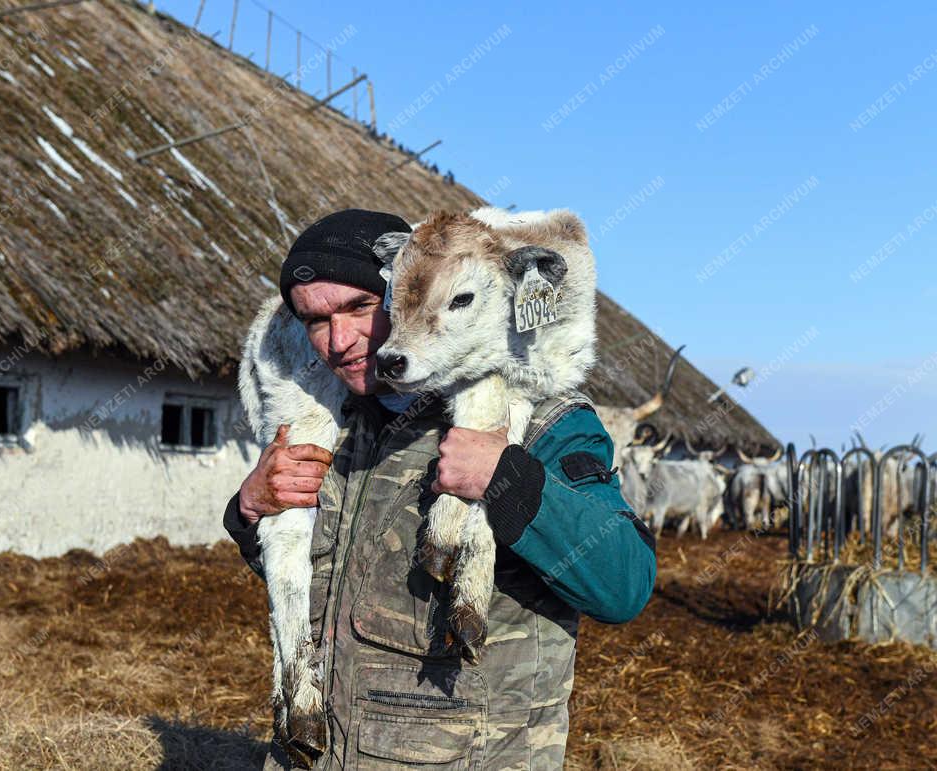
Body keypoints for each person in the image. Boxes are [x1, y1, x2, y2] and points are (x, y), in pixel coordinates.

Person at [224, 209, 656, 770]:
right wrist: (250, 511)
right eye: (315, 320)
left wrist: (506, 480)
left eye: (361, 307)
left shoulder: (548, 422)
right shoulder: (340, 426)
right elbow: (333, 582)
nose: (339, 340)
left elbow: (624, 584)